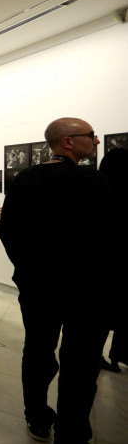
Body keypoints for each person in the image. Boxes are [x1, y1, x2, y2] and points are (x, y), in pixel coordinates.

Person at [0, 118, 126, 444]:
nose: (97, 140)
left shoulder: (25, 179)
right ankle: (71, 442)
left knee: (38, 350)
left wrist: (28, 271)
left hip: (38, 287)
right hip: (86, 289)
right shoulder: (91, 179)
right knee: (81, 363)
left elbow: (9, 231)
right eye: (90, 136)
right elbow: (110, 235)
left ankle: (37, 416)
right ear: (68, 142)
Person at [99, 148, 128, 373]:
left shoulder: (96, 188)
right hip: (115, 261)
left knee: (99, 315)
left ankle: (100, 355)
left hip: (99, 263)